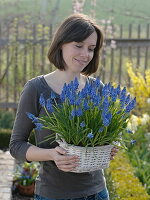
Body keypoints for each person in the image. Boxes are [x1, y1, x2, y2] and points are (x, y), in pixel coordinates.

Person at [9, 13, 118, 200]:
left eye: (91, 48)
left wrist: (109, 147)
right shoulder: (36, 89)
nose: (85, 54)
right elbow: (16, 146)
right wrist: (52, 154)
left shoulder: (97, 89)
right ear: (61, 43)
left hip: (97, 193)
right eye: (78, 45)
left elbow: (103, 138)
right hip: (53, 194)